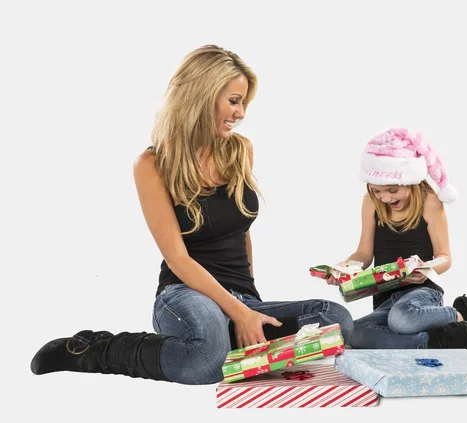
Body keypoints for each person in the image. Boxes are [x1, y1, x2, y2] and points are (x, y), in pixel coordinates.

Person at [30, 45, 353, 385]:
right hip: (183, 294)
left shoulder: (240, 150)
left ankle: (225, 343)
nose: (240, 112)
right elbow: (178, 259)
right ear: (202, 95)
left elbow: (241, 232)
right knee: (205, 361)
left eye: (243, 102)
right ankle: (98, 350)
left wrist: (248, 304)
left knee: (336, 321)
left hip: (239, 296)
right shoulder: (152, 165)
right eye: (233, 100)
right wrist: (239, 313)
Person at [326, 127, 467, 353]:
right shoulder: (371, 203)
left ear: (411, 181)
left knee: (401, 320)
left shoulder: (430, 202)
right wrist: (344, 268)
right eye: (376, 191)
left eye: (392, 190)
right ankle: (447, 338)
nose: (384, 197)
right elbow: (364, 254)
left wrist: (425, 270)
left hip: (423, 293)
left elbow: (445, 257)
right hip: (386, 299)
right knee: (353, 332)